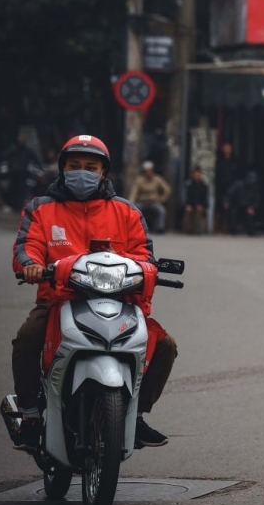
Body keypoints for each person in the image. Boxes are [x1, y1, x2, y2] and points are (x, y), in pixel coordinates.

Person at [11, 135, 177, 451]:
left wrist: (146, 270)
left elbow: (144, 253)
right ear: (62, 169)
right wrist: (31, 265)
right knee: (28, 336)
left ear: (103, 172)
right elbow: (26, 245)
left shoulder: (126, 211)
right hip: (58, 299)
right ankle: (30, 414)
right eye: (74, 166)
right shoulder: (41, 209)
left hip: (118, 300)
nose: (82, 172)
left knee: (165, 345)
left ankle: (137, 414)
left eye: (91, 166)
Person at [1, 131, 41, 212]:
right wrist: (6, 170)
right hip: (14, 172)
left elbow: (36, 159)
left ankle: (18, 206)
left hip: (23, 173)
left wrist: (37, 168)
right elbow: (5, 157)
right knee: (12, 190)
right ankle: (12, 205)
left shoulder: (27, 151)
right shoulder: (13, 150)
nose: (22, 142)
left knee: (21, 191)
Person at [129, 161, 172, 234]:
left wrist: (162, 199)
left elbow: (167, 190)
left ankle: (160, 228)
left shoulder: (158, 179)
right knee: (134, 211)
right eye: (146, 171)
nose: (148, 172)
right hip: (142, 202)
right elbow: (134, 193)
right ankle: (133, 228)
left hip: (154, 202)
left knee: (161, 210)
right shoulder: (139, 180)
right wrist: (131, 203)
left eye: (150, 170)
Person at [214, 142, 243, 233]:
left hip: (233, 187)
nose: (227, 150)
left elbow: (238, 174)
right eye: (225, 148)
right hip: (221, 187)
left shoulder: (235, 161)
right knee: (220, 207)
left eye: (229, 148)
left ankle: (231, 227)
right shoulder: (219, 160)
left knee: (232, 208)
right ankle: (219, 226)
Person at [225, 171, 261, 235]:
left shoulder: (254, 188)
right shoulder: (237, 185)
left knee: (250, 214)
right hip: (236, 205)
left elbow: (257, 200)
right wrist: (227, 202)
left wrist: (252, 207)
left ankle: (251, 231)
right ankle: (233, 231)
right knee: (232, 212)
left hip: (247, 207)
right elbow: (229, 194)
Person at [182, 166, 210, 234]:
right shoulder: (188, 185)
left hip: (201, 205)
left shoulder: (204, 186)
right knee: (188, 212)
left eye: (198, 174)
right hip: (190, 204)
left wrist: (202, 205)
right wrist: (187, 204)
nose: (197, 176)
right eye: (195, 174)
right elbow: (184, 196)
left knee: (199, 213)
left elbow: (206, 198)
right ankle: (188, 230)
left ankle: (198, 231)